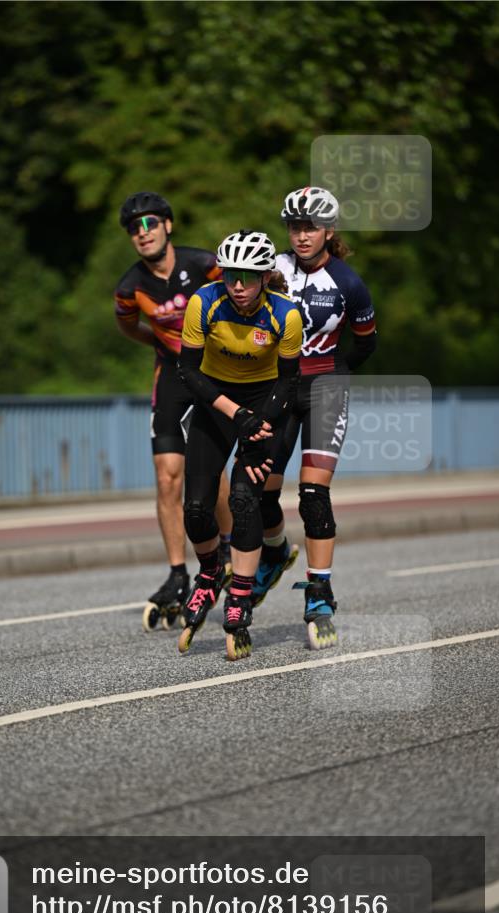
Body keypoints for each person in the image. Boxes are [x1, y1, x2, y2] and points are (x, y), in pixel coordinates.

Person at [254, 186, 377, 650]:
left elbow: (366, 342)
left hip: (325, 386)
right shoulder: (274, 268)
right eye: (293, 226)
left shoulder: (348, 283)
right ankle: (275, 551)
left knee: (312, 493)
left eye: (310, 227)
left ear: (329, 231)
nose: (301, 235)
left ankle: (320, 592)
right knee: (263, 489)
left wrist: (331, 370)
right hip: (278, 388)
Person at [176, 230, 302, 660]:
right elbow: (188, 372)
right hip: (217, 400)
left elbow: (288, 381)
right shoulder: (203, 302)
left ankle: (240, 599)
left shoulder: (286, 315)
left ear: (265, 277)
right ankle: (210, 574)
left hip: (266, 404)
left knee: (246, 498)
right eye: (232, 274)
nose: (239, 285)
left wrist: (260, 423)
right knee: (196, 507)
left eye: (248, 276)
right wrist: (237, 416)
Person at [114, 192, 233, 631]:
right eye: (133, 229)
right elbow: (128, 326)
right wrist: (162, 345)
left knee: (212, 467)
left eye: (148, 224)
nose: (141, 234)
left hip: (215, 370)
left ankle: (226, 546)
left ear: (168, 225)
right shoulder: (131, 288)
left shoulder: (204, 265)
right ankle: (178, 573)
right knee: (167, 476)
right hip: (171, 375)